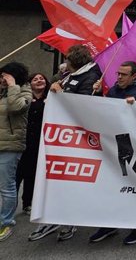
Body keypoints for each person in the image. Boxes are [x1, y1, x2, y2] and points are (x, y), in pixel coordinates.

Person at [34, 45, 100, 242]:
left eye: (67, 59)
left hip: (75, 139)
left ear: (75, 61)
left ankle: (68, 221)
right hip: (59, 136)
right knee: (54, 178)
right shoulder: (70, 75)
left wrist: (61, 93)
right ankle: (52, 218)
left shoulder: (89, 77)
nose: (65, 61)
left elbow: (83, 105)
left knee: (70, 180)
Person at [88, 62, 136, 246]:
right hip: (116, 145)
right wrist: (98, 93)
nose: (119, 77)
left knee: (135, 187)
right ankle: (109, 223)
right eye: (118, 74)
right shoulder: (114, 90)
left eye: (124, 74)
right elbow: (106, 110)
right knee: (112, 186)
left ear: (134, 76)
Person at [0, 62, 31, 242]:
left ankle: (7, 223)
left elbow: (15, 107)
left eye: (5, 76)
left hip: (10, 146)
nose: (2, 79)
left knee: (6, 187)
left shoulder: (24, 91)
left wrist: (13, 86)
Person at [15, 73, 48, 215]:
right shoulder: (24, 98)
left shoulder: (51, 99)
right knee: (16, 175)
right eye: (35, 79)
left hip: (39, 142)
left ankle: (27, 203)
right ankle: (10, 206)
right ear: (30, 84)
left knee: (32, 174)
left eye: (41, 78)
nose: (39, 80)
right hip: (22, 140)